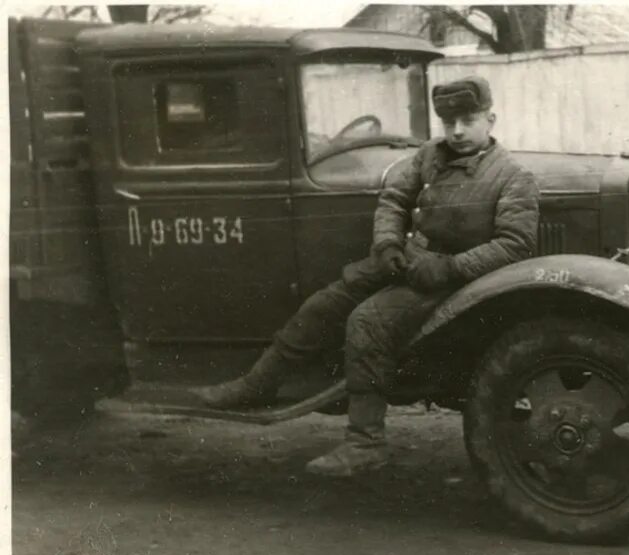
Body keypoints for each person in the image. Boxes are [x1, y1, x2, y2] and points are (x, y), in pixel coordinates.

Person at [195, 76, 541, 476]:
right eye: (449, 123)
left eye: (468, 119)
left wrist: (450, 267)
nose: (458, 131)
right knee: (326, 303)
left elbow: (515, 245)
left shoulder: (512, 177)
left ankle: (365, 443)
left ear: (491, 119)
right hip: (404, 261)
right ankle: (257, 384)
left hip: (452, 280)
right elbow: (393, 199)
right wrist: (388, 244)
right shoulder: (430, 155)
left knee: (368, 322)